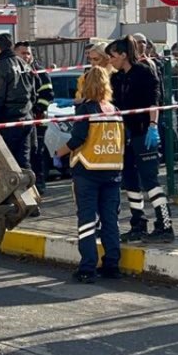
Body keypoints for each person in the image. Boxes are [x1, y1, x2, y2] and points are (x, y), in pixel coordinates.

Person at [54, 67, 125, 283]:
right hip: (112, 172)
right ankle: (112, 265)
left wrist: (58, 153)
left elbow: (77, 139)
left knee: (87, 221)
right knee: (110, 220)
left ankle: (87, 268)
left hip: (87, 171)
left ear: (85, 85)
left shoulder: (86, 110)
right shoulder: (116, 110)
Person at [107, 38, 174, 243]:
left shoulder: (144, 73)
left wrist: (153, 127)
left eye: (113, 56)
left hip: (143, 132)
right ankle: (138, 224)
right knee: (130, 182)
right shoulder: (117, 78)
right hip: (125, 136)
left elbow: (154, 100)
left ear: (124, 55)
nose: (111, 60)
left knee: (150, 180)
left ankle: (165, 225)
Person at [0, 33, 36, 172]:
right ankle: (29, 191)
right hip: (26, 118)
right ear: (12, 46)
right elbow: (33, 93)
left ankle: (7, 194)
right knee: (23, 162)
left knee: (5, 164)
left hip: (10, 120)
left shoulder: (1, 67)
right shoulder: (24, 65)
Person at [15, 41, 54, 195]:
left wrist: (38, 109)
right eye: (23, 53)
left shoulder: (38, 71)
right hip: (22, 120)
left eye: (28, 53)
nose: (26, 56)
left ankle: (39, 183)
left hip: (37, 120)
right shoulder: (14, 70)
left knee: (37, 154)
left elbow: (48, 94)